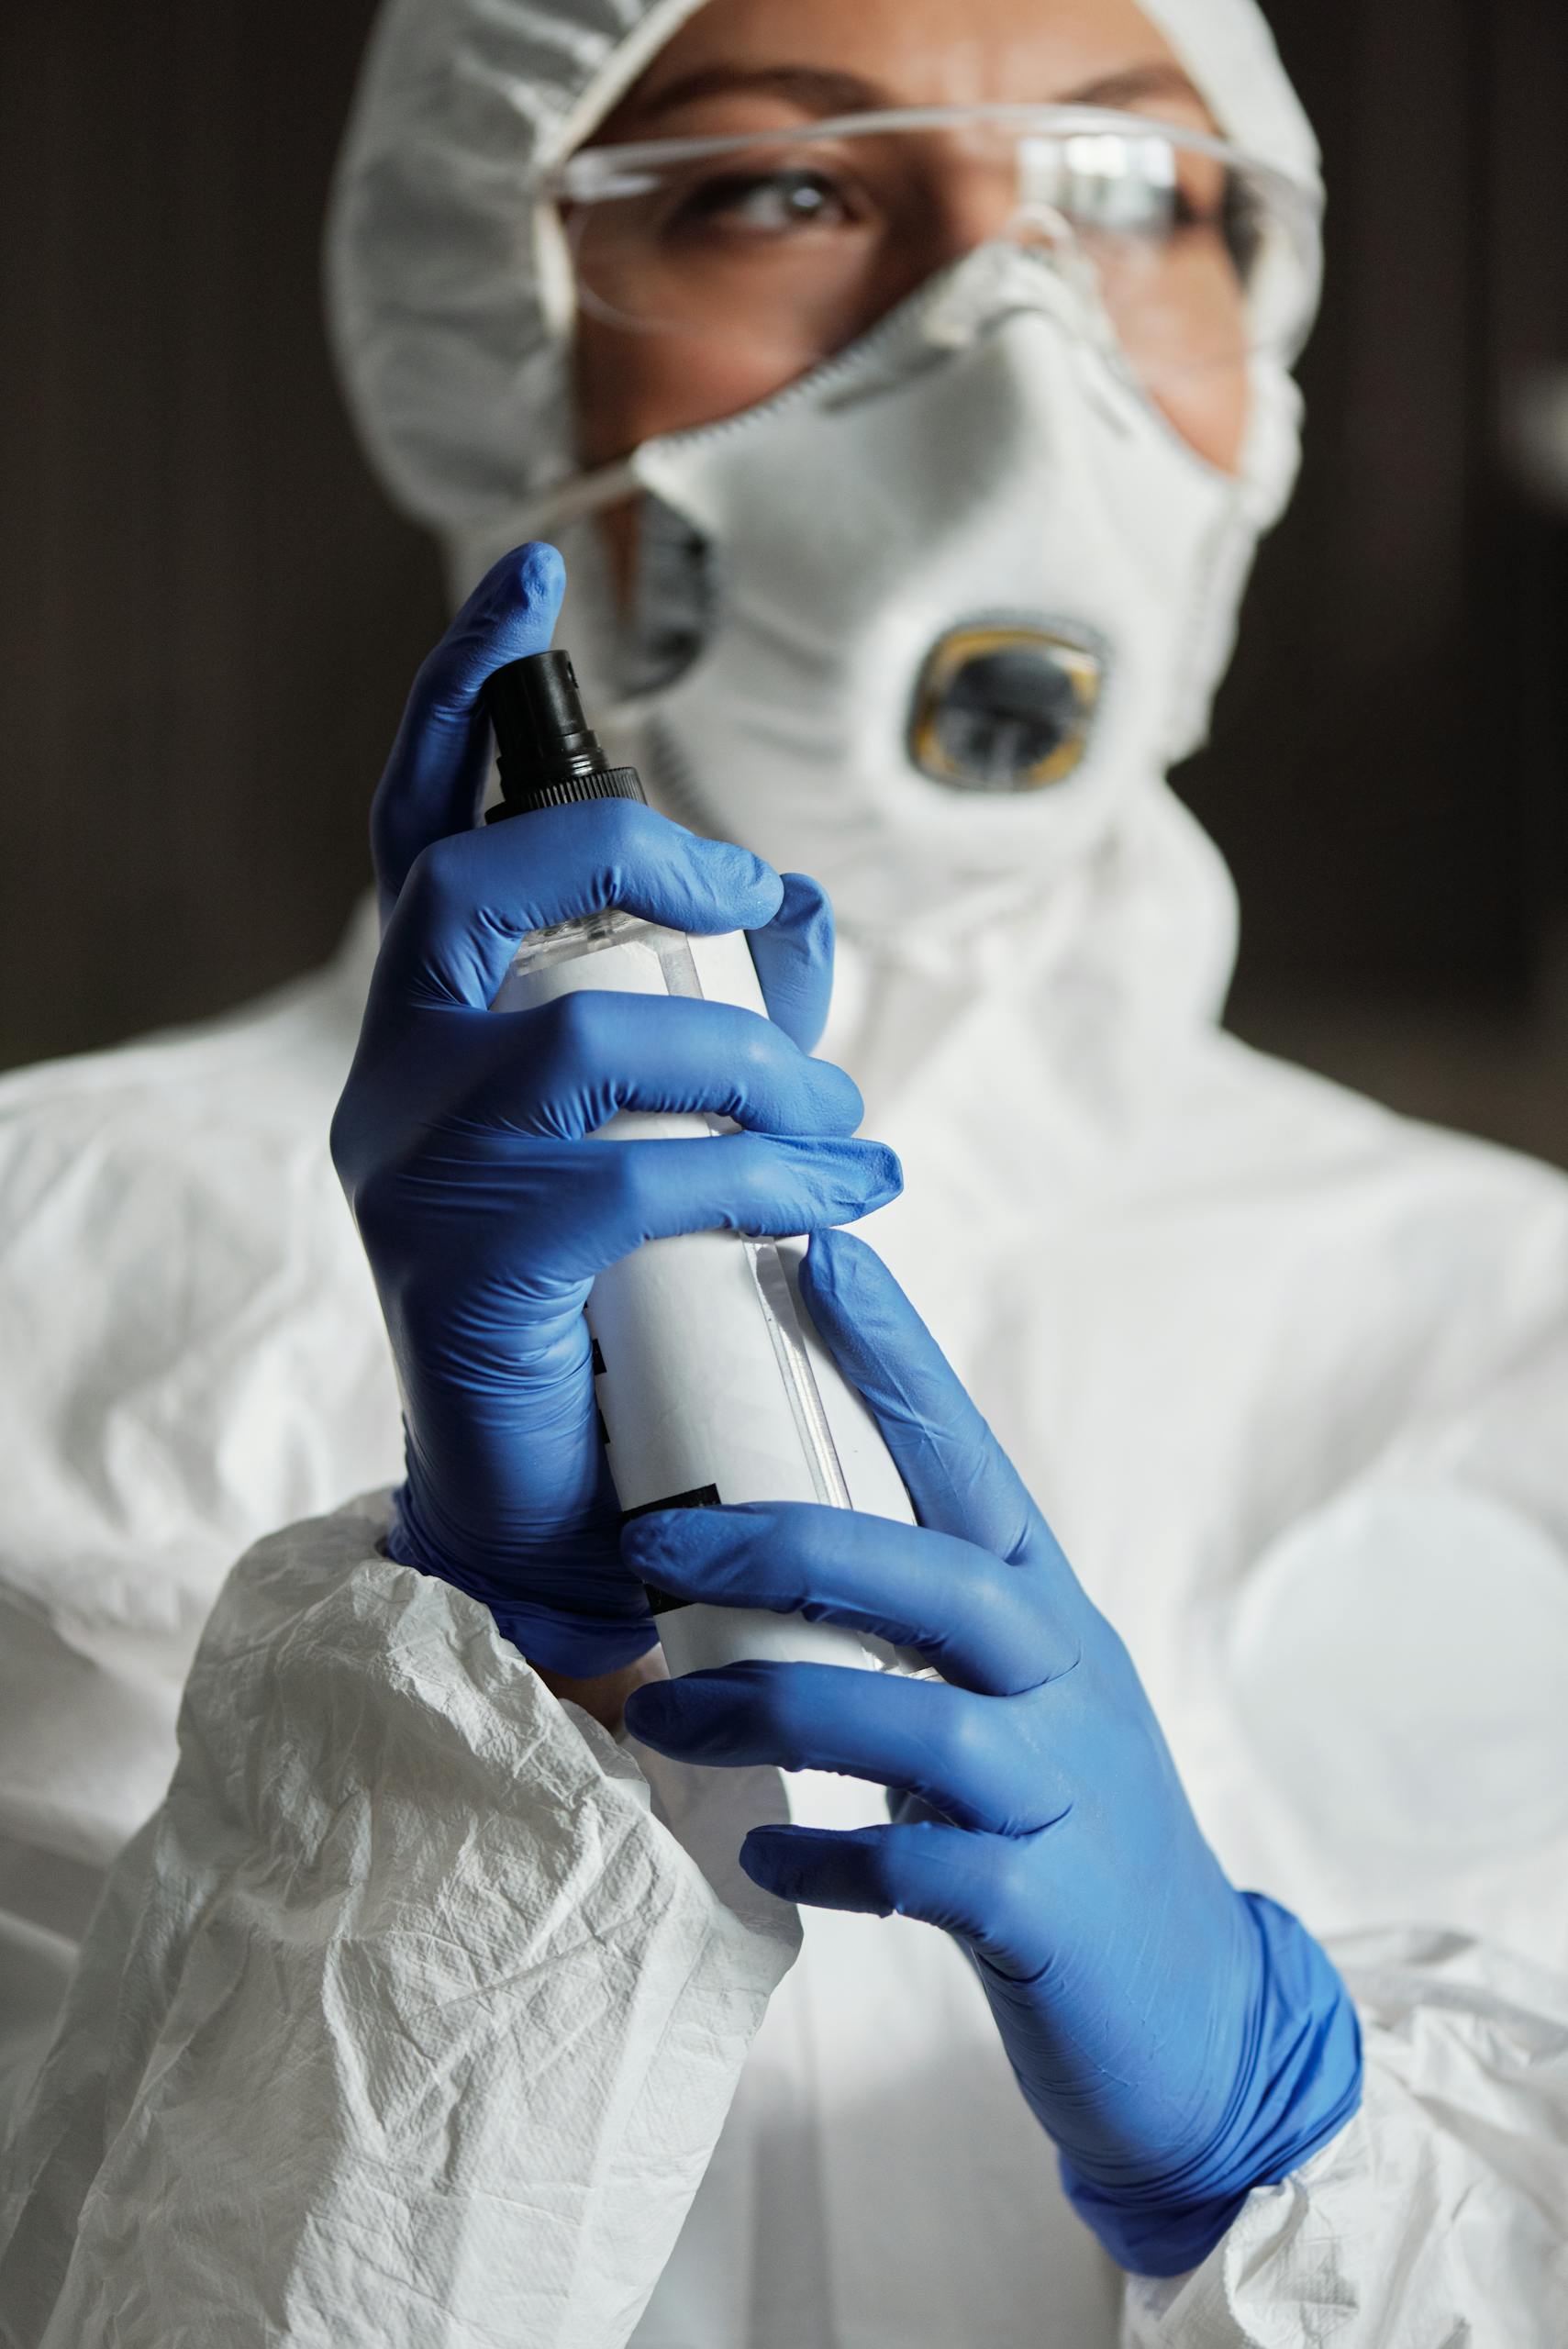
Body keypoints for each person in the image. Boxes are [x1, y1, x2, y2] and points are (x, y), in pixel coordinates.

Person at [2, 0, 1567, 2339]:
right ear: (492, 328)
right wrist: (454, 1738)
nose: (1012, 344)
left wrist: (1284, 2139)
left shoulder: (1515, 1318)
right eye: (788, 190)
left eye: (1135, 193)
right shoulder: (50, 1255)